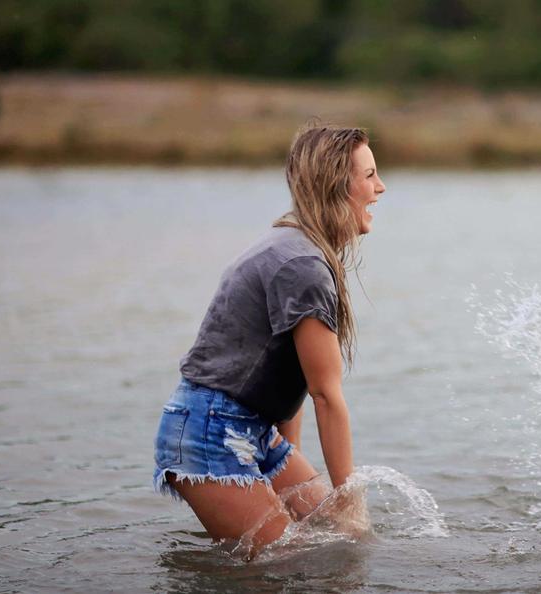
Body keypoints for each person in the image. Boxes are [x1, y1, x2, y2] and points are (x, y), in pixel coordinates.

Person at [152, 124, 385, 554]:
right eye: (369, 176)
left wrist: (285, 473)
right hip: (210, 431)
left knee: (343, 539)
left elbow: (289, 378)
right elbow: (325, 394)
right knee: (289, 562)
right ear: (337, 184)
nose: (380, 187)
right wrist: (348, 495)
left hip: (251, 429)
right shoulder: (303, 265)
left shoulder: (300, 248)